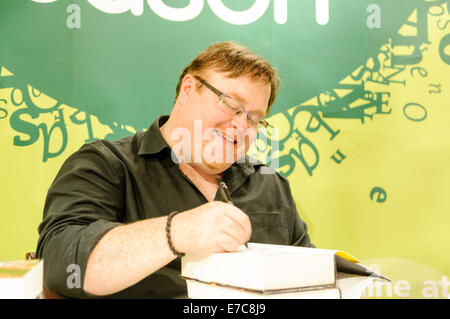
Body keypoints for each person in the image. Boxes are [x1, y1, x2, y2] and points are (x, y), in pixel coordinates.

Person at [36, 41, 314, 298]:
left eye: (254, 118)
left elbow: (310, 280)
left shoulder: (271, 184)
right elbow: (60, 266)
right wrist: (176, 232)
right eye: (231, 104)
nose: (241, 127)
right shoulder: (105, 164)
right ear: (188, 89)